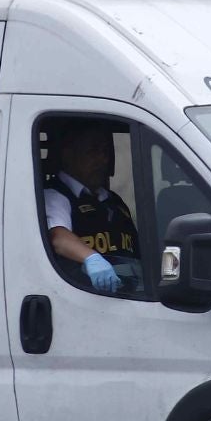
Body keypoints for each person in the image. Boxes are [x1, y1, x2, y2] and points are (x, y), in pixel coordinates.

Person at [43, 123, 139, 295]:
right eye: (93, 151)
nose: (103, 159)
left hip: (130, 298)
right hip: (83, 298)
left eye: (105, 152)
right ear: (68, 154)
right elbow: (58, 236)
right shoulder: (55, 195)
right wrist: (91, 258)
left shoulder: (114, 201)